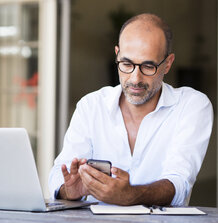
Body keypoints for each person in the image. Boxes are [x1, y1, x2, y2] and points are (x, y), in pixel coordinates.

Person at [49, 13, 213, 206]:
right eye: (126, 64)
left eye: (148, 66)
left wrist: (132, 195)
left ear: (167, 64)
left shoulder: (191, 106)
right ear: (117, 54)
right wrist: (68, 191)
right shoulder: (91, 106)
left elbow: (179, 182)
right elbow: (60, 173)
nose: (135, 79)